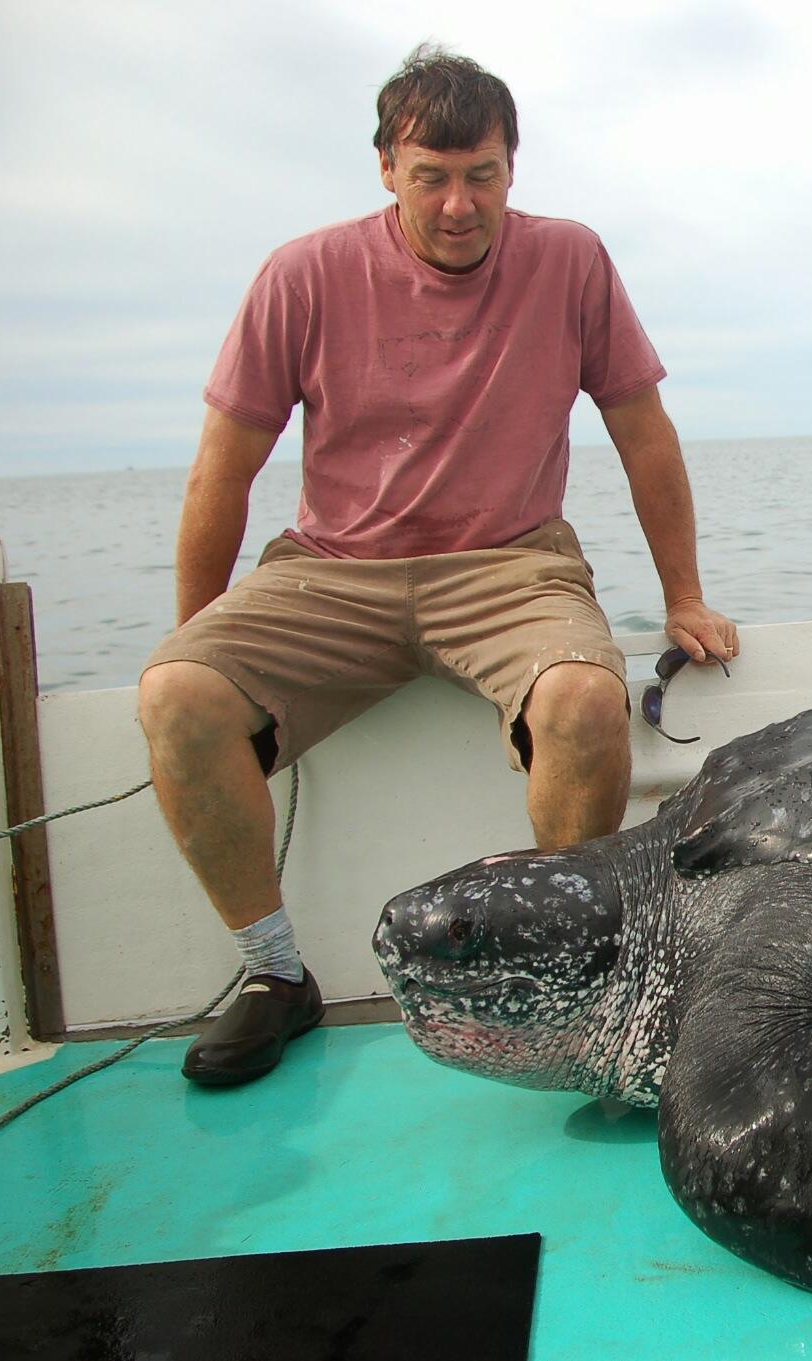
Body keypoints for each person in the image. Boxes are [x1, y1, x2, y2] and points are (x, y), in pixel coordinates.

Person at [137, 44, 736, 1087]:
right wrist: (197, 631)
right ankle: (276, 975)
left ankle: (574, 976)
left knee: (586, 707)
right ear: (386, 168)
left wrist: (682, 592)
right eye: (432, 176)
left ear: (511, 168)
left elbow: (643, 430)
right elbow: (222, 470)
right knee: (179, 694)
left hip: (510, 563)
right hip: (332, 568)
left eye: (481, 175)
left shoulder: (572, 261)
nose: (458, 205)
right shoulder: (302, 273)